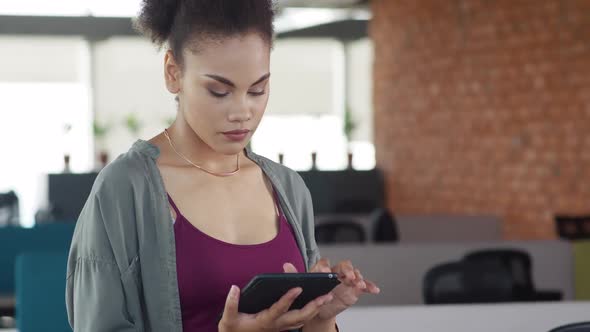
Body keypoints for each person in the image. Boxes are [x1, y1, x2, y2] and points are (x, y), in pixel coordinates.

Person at [65, 1, 380, 331]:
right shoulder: (125, 188)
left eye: (258, 90)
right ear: (173, 73)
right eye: (219, 91)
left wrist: (320, 318)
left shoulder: (287, 188)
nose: (242, 111)